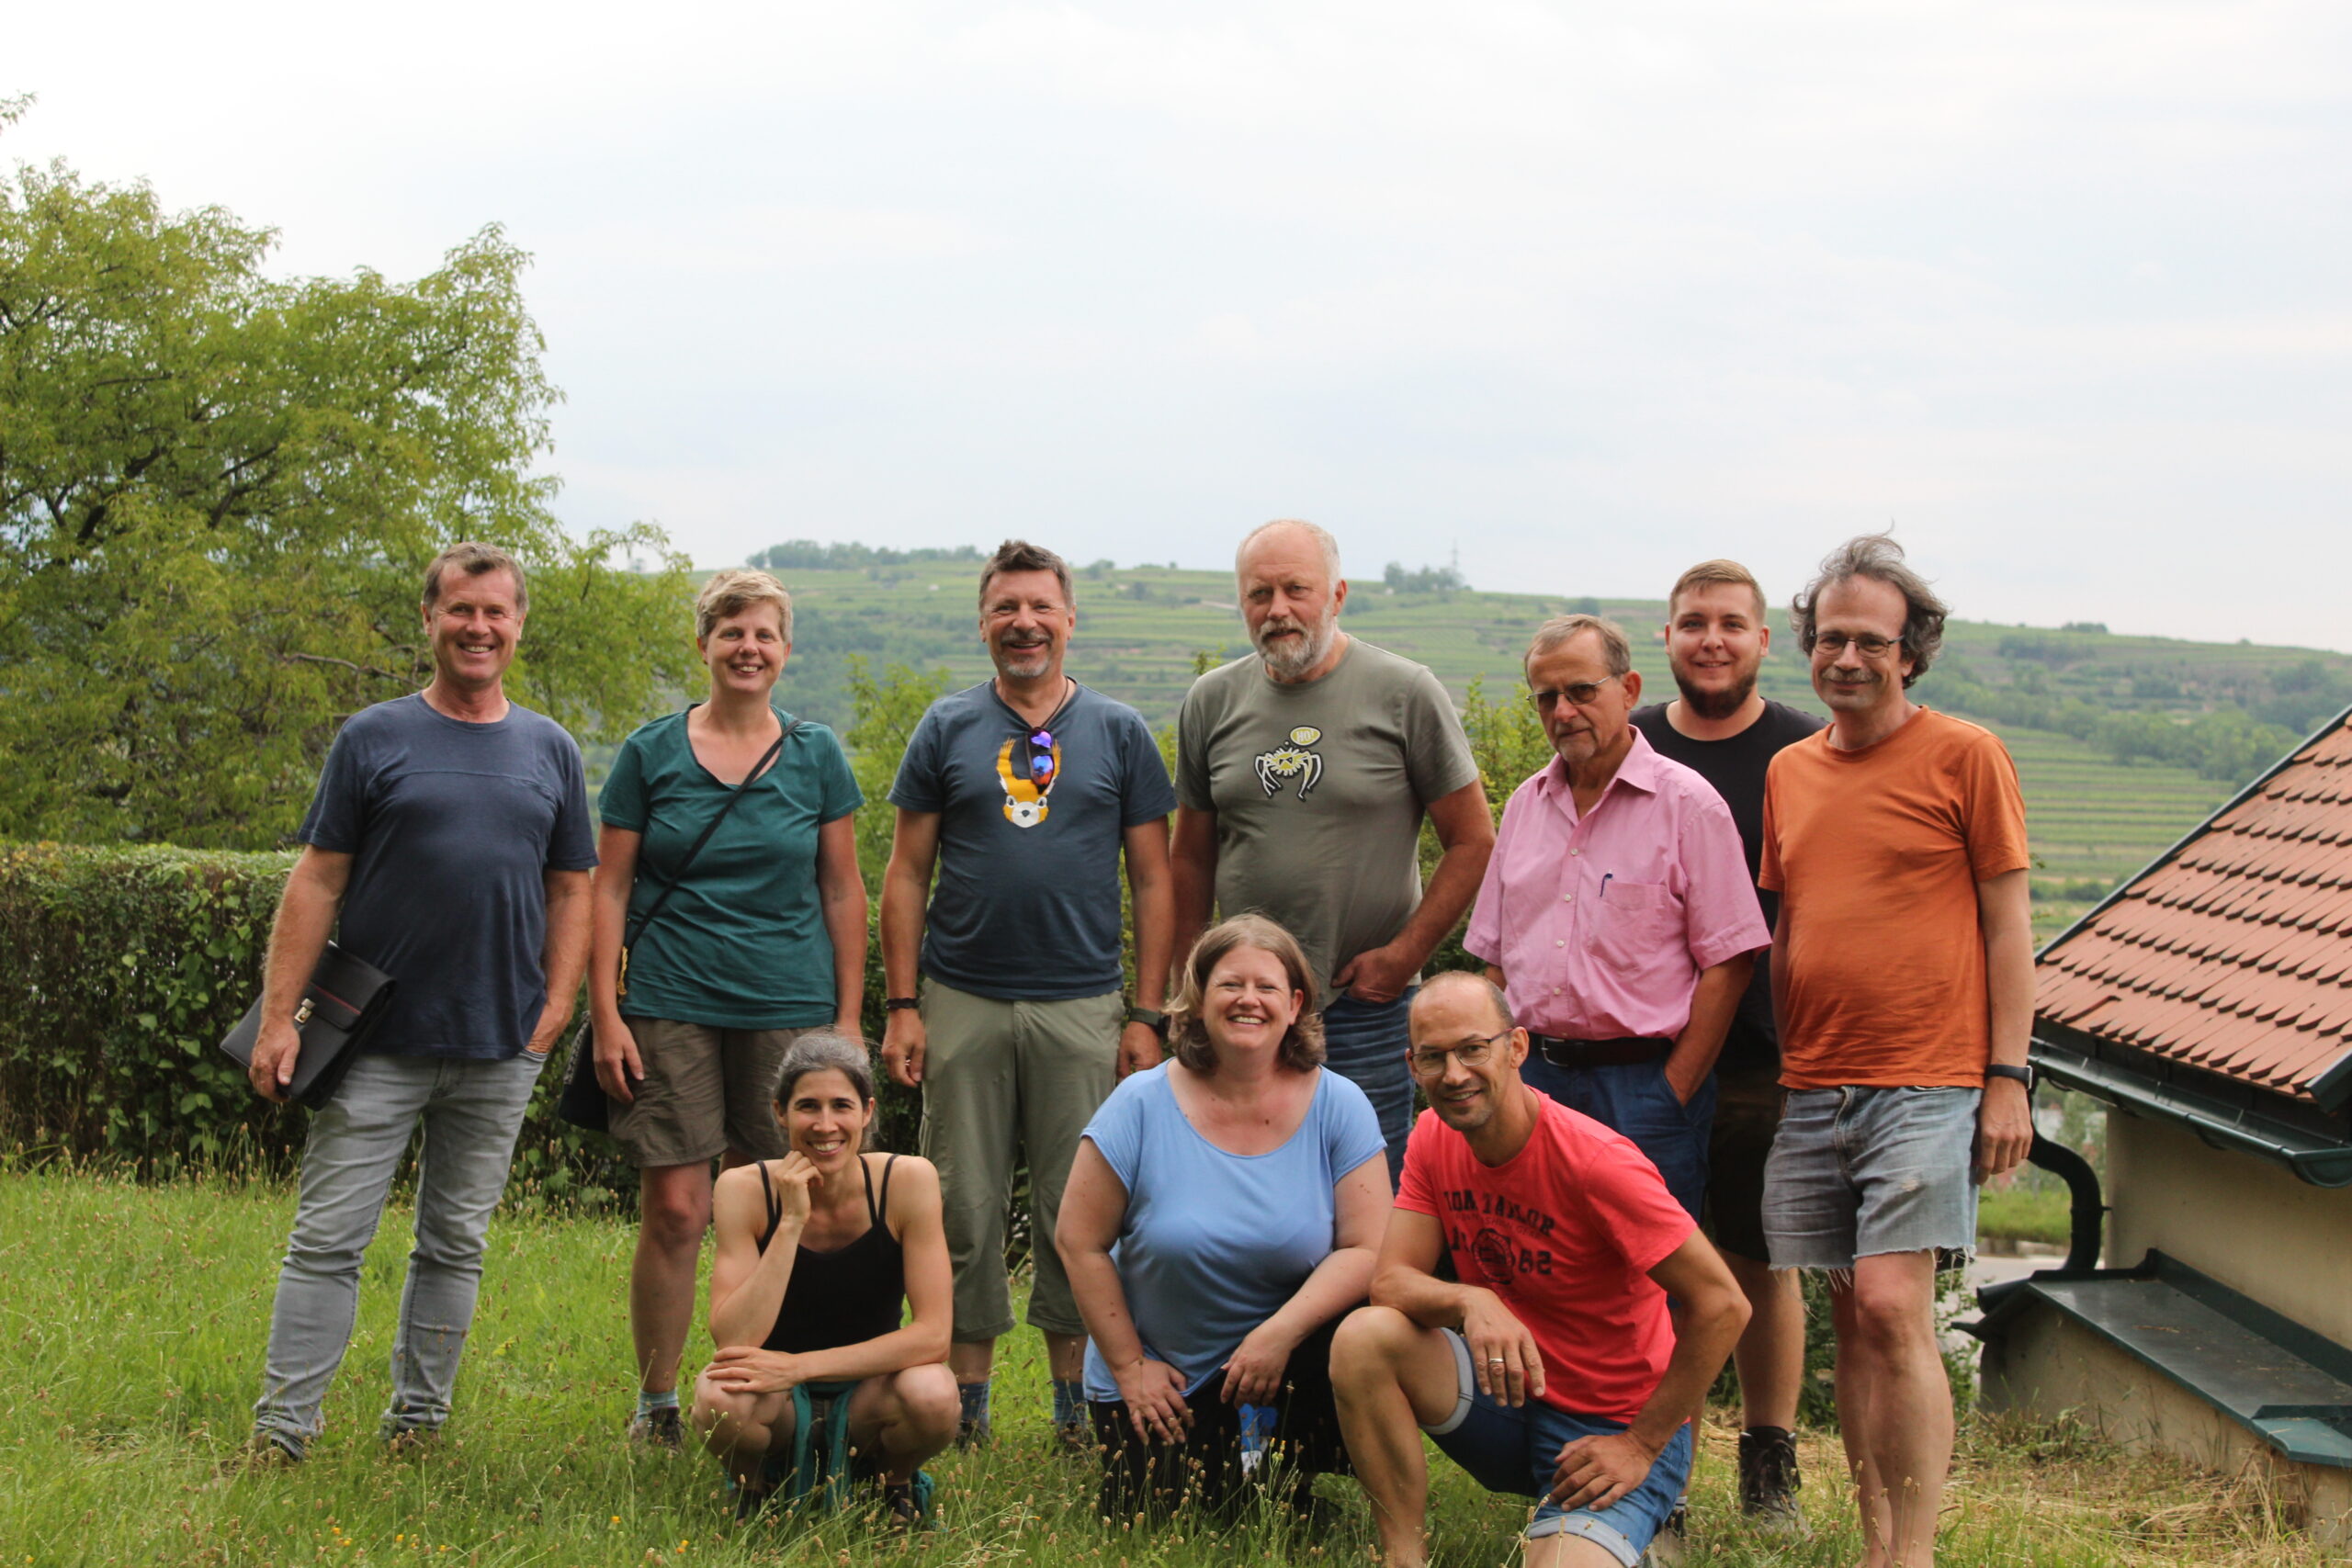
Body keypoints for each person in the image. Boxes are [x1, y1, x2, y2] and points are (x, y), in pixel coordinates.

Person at [243, 542, 596, 1461]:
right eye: (460, 611)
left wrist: (557, 1005)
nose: (478, 628)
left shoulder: (551, 749)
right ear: (430, 621)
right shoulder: (374, 736)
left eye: (496, 613)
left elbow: (573, 890)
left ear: (519, 626)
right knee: (327, 1240)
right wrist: (280, 1019)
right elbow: (318, 879)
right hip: (374, 1041)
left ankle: (418, 1426)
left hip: (499, 1042)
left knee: (454, 1245)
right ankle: (283, 1431)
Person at [1760, 534, 2033, 1568]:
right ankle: (1873, 1543)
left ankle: (1910, 1554)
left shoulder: (1965, 754)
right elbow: (1795, 920)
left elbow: (2008, 926)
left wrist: (2005, 1077)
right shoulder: (1789, 771)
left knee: (1888, 1305)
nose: (1845, 658)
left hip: (1926, 1075)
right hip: (1814, 1081)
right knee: (1853, 1323)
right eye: (1829, 638)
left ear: (1909, 653)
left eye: (1870, 641)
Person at [880, 539, 1176, 1449]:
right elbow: (904, 873)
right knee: (960, 1205)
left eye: (1040, 607)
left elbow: (1155, 882)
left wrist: (1146, 1013)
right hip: (961, 998)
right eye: (1006, 608)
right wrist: (901, 1004)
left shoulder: (1120, 731)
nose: (1024, 623)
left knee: (1074, 1210)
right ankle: (966, 1405)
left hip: (1084, 1005)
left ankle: (1071, 1407)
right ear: (983, 622)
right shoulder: (945, 727)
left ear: (1069, 619)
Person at [1330, 973, 1749, 1568]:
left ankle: (1624, 1533)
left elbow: (1724, 1304)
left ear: (1516, 1047)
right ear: (1412, 1064)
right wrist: (1473, 1302)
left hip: (1611, 1426)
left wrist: (1641, 1443)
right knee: (1364, 1338)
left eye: (1473, 1048)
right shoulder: (1433, 1136)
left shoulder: (1598, 1163)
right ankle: (1403, 1557)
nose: (1454, 1073)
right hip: (1511, 1397)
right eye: (1433, 1056)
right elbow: (1390, 1283)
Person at [590, 568, 867, 1447]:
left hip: (790, 1007)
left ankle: (772, 1388)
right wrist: (606, 1010)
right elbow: (610, 888)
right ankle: (658, 1404)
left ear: (786, 650)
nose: (749, 648)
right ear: (704, 643)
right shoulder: (650, 752)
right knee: (677, 1208)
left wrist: (850, 1022)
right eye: (732, 632)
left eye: (765, 635)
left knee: (783, 1203)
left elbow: (843, 889)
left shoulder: (817, 753)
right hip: (668, 1002)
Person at [1171, 519, 1494, 1181]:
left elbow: (1473, 839)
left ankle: (1372, 1294)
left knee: (1369, 1194)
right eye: (1260, 594)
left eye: (1297, 589)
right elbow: (1192, 857)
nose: (1278, 610)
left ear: (1338, 594)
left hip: (1366, 1007)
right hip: (1246, 1010)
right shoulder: (1211, 701)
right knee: (1249, 1183)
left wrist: (1405, 955)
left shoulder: (1405, 692)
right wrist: (1189, 986)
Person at [1056, 914, 1390, 1520]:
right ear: (1199, 999)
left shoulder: (1339, 1104)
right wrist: (1131, 1365)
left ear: (1294, 1004)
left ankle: (1301, 1471)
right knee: (1161, 1509)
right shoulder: (1138, 1101)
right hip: (1164, 1380)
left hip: (1284, 1363)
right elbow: (1079, 1241)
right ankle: (1260, 1484)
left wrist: (1277, 1334)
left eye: (1266, 987)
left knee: (1380, 1321)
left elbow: (1369, 1247)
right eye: (1230, 984)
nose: (1248, 1000)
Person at [1629, 560, 1824, 1519]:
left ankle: (1766, 1457)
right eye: (1692, 622)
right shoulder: (1627, 746)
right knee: (1649, 1263)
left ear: (1759, 641)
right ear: (1664, 639)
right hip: (1639, 1051)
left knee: (1756, 1257)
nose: (1711, 639)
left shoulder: (1805, 751)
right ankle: (1656, 1466)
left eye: (1731, 624)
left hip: (1761, 1049)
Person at [1464, 614, 1768, 1223]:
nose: (1563, 711)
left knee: (1649, 1287)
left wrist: (1671, 1090)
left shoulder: (1688, 805)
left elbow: (1729, 962)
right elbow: (1495, 961)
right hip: (1531, 1081)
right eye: (1546, 696)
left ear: (1627, 690)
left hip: (1642, 1087)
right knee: (1533, 1263)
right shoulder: (1526, 804)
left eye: (1582, 690)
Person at [692, 1034, 956, 1528]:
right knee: (716, 1397)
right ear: (779, 1112)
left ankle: (892, 1484)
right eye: (807, 1106)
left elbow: (934, 1336)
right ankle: (755, 1489)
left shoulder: (907, 1181)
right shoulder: (742, 1188)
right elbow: (733, 1340)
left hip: (870, 1392)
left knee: (934, 1392)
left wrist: (799, 1368)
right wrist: (790, 1222)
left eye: (842, 1106)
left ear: (868, 1112)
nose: (826, 1124)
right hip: (773, 1397)